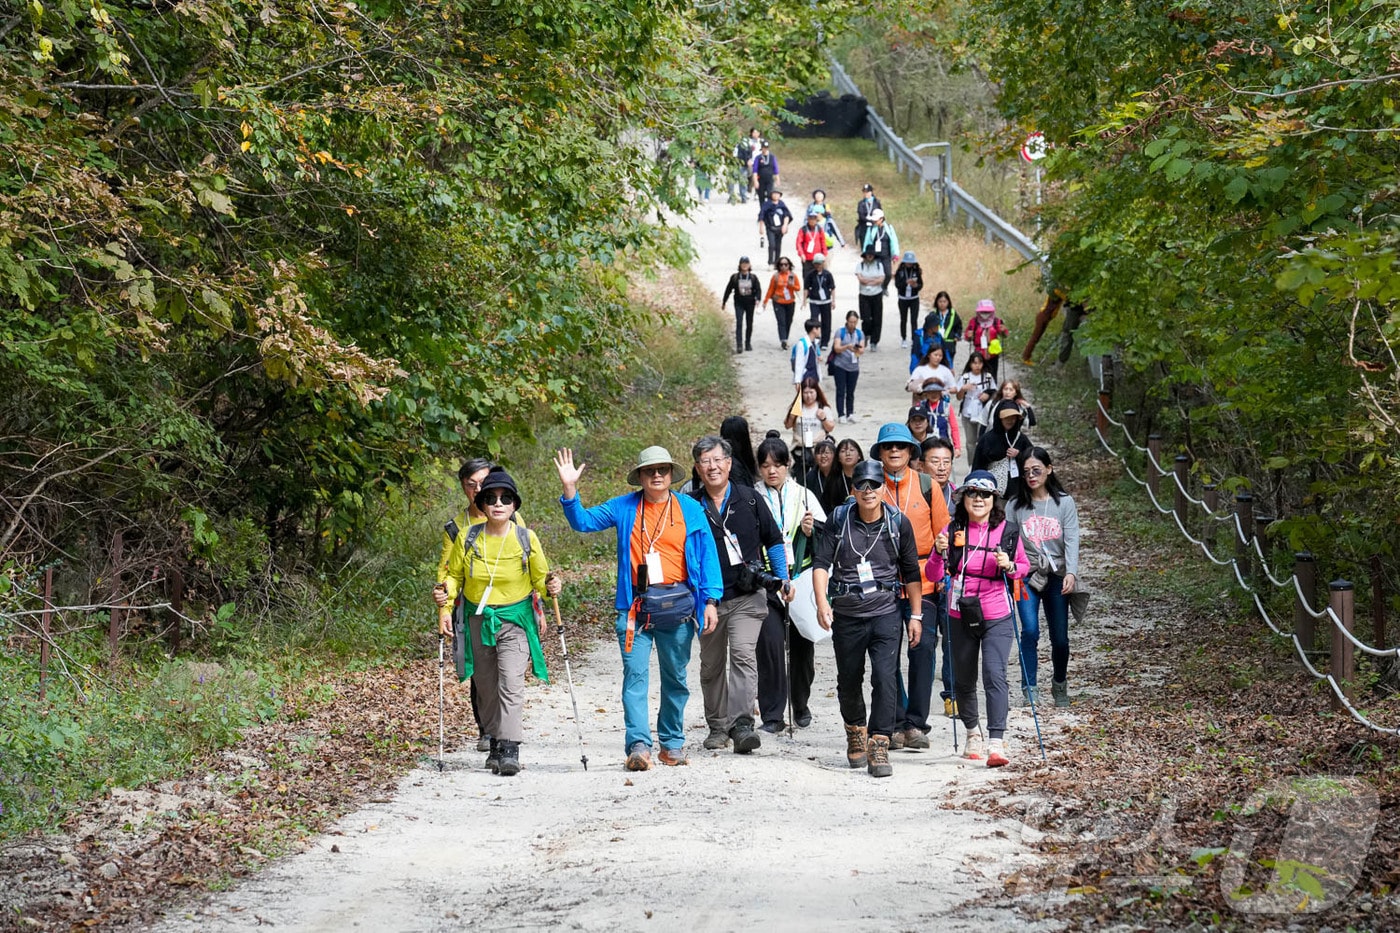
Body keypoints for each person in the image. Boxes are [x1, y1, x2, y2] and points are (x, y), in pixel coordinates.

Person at [554, 446, 723, 771]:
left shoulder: (689, 509)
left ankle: (671, 744)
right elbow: (583, 522)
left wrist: (711, 601)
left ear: (672, 474)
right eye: (649, 471)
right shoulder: (625, 506)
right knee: (635, 676)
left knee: (675, 678)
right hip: (635, 610)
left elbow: (708, 557)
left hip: (678, 610)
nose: (656, 475)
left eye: (662, 470)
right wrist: (570, 489)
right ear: (641, 476)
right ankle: (639, 746)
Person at [434, 469, 561, 776]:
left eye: (505, 498)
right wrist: (445, 599)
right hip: (479, 618)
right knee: (486, 685)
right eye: (490, 498)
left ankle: (509, 747)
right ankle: (493, 744)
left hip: (515, 620)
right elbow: (454, 576)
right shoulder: (468, 537)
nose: (498, 504)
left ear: (514, 504)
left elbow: (540, 577)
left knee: (511, 682)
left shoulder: (525, 537)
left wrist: (551, 585)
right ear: (482, 504)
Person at [812, 459, 923, 778]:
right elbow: (821, 563)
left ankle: (879, 740)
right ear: (853, 489)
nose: (868, 490)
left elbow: (911, 571)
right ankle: (855, 731)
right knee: (848, 679)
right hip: (847, 613)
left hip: (886, 612)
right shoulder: (839, 519)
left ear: (884, 487)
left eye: (875, 484)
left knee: (886, 678)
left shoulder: (897, 523)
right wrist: (822, 603)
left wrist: (915, 614)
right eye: (862, 484)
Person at [687, 436, 790, 753]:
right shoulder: (690, 505)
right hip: (709, 602)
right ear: (697, 467)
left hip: (748, 595)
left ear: (729, 464)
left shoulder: (749, 499)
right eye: (705, 461)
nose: (712, 466)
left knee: (744, 655)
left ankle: (742, 725)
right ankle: (718, 727)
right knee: (712, 664)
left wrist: (782, 579)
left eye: (718, 459)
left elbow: (773, 540)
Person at [926, 470, 1029, 767]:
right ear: (964, 498)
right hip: (959, 611)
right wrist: (937, 552)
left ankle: (996, 741)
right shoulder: (952, 529)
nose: (979, 499)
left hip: (997, 611)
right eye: (973, 493)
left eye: (985, 494)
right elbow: (934, 576)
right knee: (964, 677)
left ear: (994, 500)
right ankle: (973, 732)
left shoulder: (1007, 531)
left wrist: (1009, 565)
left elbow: (1023, 567)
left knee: (994, 674)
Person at [871, 423, 951, 750]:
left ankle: (917, 723)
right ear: (879, 452)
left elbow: (945, 535)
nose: (894, 452)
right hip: (883, 583)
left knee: (923, 651)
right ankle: (896, 718)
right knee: (886, 655)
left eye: (900, 447)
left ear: (910, 452)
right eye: (888, 447)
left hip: (925, 579)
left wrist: (946, 572)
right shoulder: (868, 485)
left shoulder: (928, 485)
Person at [754, 432, 827, 731]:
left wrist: (812, 530)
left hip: (800, 578)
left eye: (778, 464)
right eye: (766, 465)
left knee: (802, 648)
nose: (772, 471)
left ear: (788, 465)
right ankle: (772, 714)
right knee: (770, 646)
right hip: (768, 582)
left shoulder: (804, 494)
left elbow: (825, 534)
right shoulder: (753, 496)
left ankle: (800, 703)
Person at [1008, 447, 1079, 708]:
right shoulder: (1016, 506)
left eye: (1036, 470)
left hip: (1057, 574)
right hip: (1026, 575)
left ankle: (1059, 683)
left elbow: (1072, 539)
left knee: (1059, 637)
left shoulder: (1064, 503)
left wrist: (1071, 571)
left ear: (1049, 469)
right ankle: (1030, 687)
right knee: (1029, 630)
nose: (1031, 476)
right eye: (1026, 472)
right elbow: (1008, 541)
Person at [436, 457, 496, 752]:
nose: (478, 489)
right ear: (463, 487)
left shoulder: (509, 515)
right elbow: (446, 573)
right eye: (471, 484)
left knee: (507, 668)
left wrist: (538, 608)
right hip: (471, 607)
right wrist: (444, 609)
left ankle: (504, 728)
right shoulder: (456, 528)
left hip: (510, 605)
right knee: (479, 670)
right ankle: (486, 730)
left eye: (483, 482)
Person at [920, 437, 958, 717]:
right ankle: (918, 701)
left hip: (952, 580)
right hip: (921, 580)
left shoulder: (961, 498)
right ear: (921, 464)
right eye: (935, 461)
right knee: (924, 641)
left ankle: (952, 694)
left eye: (946, 462)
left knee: (952, 639)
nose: (941, 468)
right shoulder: (915, 496)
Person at [973, 400, 1034, 496]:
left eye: (1013, 417)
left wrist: (1019, 455)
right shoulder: (987, 439)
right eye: (1006, 417)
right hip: (994, 490)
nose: (1010, 420)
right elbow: (978, 465)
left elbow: (1034, 459)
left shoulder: (1021, 439)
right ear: (999, 418)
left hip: (1018, 491)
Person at [955, 352, 997, 467]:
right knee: (970, 442)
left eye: (980, 363)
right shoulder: (965, 378)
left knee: (983, 439)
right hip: (968, 411)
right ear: (970, 364)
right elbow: (958, 397)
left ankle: (983, 464)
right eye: (974, 363)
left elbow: (995, 392)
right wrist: (963, 389)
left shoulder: (987, 377)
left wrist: (988, 395)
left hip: (983, 412)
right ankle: (972, 465)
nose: (977, 366)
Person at [784, 377, 835, 457]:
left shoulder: (823, 408)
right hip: (799, 448)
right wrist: (792, 416)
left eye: (811, 392)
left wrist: (823, 419)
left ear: (817, 392)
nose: (809, 396)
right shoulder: (797, 407)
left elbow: (830, 428)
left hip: (818, 449)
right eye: (805, 393)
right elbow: (787, 426)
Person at [830, 309, 865, 425]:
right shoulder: (840, 332)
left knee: (851, 391)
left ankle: (850, 412)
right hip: (840, 365)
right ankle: (841, 413)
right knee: (840, 390)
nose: (852, 324)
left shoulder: (859, 334)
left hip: (854, 366)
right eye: (851, 322)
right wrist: (847, 347)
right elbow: (837, 348)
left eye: (855, 322)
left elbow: (862, 350)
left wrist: (857, 349)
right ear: (847, 321)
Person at [721, 256, 760, 353]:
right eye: (743, 263)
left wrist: (758, 299)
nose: (745, 265)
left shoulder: (753, 278)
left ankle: (748, 343)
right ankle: (739, 344)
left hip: (750, 303)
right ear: (739, 265)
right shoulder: (735, 277)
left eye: (746, 263)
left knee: (749, 323)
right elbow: (728, 289)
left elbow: (758, 290)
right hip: (739, 302)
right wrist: (724, 301)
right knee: (739, 322)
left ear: (749, 265)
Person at [965, 299, 1010, 380]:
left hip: (993, 353)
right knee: (978, 375)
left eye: (987, 312)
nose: (985, 314)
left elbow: (1004, 335)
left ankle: (992, 391)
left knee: (992, 375)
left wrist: (1003, 331)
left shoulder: (997, 321)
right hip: (978, 354)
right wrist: (969, 335)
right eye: (983, 312)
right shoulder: (974, 321)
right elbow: (967, 338)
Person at [919, 290, 962, 370]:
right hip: (935, 343)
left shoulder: (953, 314)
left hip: (949, 344)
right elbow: (927, 328)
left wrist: (957, 335)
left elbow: (959, 326)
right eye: (940, 301)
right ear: (936, 302)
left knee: (947, 363)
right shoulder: (933, 314)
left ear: (948, 302)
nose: (942, 304)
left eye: (944, 301)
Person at [860, 209, 901, 293]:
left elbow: (894, 241)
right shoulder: (871, 229)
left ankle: (884, 287)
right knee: (876, 274)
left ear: (881, 219)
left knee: (888, 274)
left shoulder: (889, 228)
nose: (874, 221)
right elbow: (867, 242)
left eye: (876, 219)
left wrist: (895, 255)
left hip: (886, 255)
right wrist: (865, 254)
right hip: (875, 256)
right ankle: (877, 290)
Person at [764, 256, 801, 348]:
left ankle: (786, 338)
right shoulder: (776, 276)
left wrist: (791, 286)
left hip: (790, 301)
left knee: (788, 321)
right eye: (781, 265)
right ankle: (783, 340)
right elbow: (770, 289)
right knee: (781, 321)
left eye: (786, 264)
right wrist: (765, 301)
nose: (784, 266)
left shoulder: (793, 276)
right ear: (778, 266)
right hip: (778, 301)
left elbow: (798, 288)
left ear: (789, 265)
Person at [823, 437, 864, 513]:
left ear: (859, 456)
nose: (848, 454)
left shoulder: (866, 477)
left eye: (852, 450)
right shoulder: (832, 480)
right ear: (838, 458)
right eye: (843, 451)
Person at [856, 248, 886, 350]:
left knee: (877, 319)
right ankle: (866, 334)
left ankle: (874, 341)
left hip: (877, 294)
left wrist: (868, 281)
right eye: (868, 254)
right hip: (864, 295)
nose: (870, 256)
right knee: (866, 318)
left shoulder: (879, 265)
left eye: (871, 255)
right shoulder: (860, 265)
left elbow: (881, 279)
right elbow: (860, 279)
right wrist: (874, 280)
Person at [804, 253, 836, 348]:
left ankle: (825, 341)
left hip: (826, 301)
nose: (818, 266)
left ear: (823, 263)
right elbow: (806, 288)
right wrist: (804, 300)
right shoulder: (810, 275)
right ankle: (815, 339)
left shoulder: (828, 274)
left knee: (826, 321)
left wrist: (833, 301)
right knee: (814, 321)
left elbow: (832, 288)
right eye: (816, 264)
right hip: (814, 301)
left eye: (819, 263)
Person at [893, 252, 923, 350]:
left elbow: (921, 285)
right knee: (903, 319)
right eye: (908, 262)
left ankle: (914, 339)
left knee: (914, 320)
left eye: (911, 262)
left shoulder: (917, 271)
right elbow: (897, 284)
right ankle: (904, 338)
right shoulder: (900, 271)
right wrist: (905, 283)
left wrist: (915, 286)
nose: (909, 264)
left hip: (914, 298)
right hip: (903, 299)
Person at [757, 189, 793, 270]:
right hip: (770, 228)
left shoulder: (782, 204)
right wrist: (761, 227)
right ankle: (770, 262)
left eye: (778, 194)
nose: (776, 196)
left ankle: (777, 262)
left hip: (780, 228)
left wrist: (785, 225)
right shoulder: (766, 204)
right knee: (772, 244)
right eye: (774, 194)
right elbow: (761, 215)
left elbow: (787, 215)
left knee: (778, 245)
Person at [794, 210, 828, 280]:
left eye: (814, 218)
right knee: (807, 275)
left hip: (818, 258)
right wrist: (801, 254)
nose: (812, 220)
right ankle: (807, 289)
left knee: (818, 275)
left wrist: (824, 254)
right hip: (807, 258)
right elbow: (799, 243)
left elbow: (823, 241)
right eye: (811, 218)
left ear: (817, 220)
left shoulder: (819, 229)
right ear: (808, 219)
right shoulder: (803, 230)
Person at [789, 318, 822, 386]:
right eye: (818, 328)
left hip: (814, 375)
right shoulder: (802, 344)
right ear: (814, 330)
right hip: (806, 376)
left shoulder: (815, 342)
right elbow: (799, 363)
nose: (820, 331)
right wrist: (797, 381)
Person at [853, 183, 881, 249]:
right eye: (864, 192)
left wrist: (875, 221)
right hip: (864, 227)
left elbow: (880, 213)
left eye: (867, 192)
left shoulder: (876, 202)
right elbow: (861, 215)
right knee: (864, 247)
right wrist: (869, 220)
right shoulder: (861, 203)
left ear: (871, 192)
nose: (866, 194)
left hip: (874, 226)